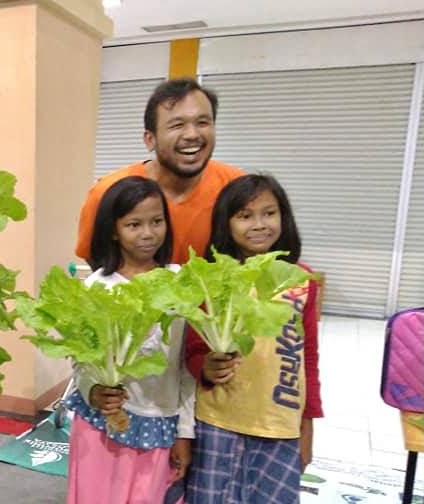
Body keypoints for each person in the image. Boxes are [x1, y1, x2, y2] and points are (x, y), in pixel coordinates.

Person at [184, 174, 323, 504]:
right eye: (245, 216)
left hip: (280, 423)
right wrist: (205, 368)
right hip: (218, 420)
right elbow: (193, 350)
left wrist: (307, 425)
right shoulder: (211, 278)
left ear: (283, 217)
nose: (259, 224)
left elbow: (308, 356)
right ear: (226, 224)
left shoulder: (300, 280)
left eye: (269, 213)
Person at [65, 176, 196, 504]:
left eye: (157, 221)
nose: (148, 233)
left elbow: (184, 368)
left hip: (158, 422)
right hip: (100, 425)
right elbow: (81, 361)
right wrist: (93, 391)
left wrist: (185, 432)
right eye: (134, 224)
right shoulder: (97, 287)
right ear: (113, 230)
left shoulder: (180, 282)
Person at [75, 78, 244, 265]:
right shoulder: (107, 192)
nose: (192, 135)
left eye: (203, 122)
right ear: (150, 139)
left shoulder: (236, 187)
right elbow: (96, 257)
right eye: (177, 125)